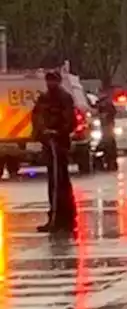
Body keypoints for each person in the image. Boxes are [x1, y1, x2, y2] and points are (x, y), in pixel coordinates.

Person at [33, 69, 77, 234]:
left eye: (53, 80)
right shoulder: (44, 98)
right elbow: (36, 117)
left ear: (58, 81)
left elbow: (69, 120)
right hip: (49, 145)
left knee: (61, 182)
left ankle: (65, 218)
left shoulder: (64, 98)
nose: (50, 83)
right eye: (48, 80)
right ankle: (55, 217)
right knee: (53, 182)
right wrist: (41, 132)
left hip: (59, 145)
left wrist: (58, 132)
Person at [95, 81, 119, 171]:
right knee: (104, 145)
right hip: (101, 129)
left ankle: (111, 162)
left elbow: (113, 113)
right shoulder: (98, 104)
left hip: (108, 128)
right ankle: (105, 161)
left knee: (110, 145)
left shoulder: (108, 104)